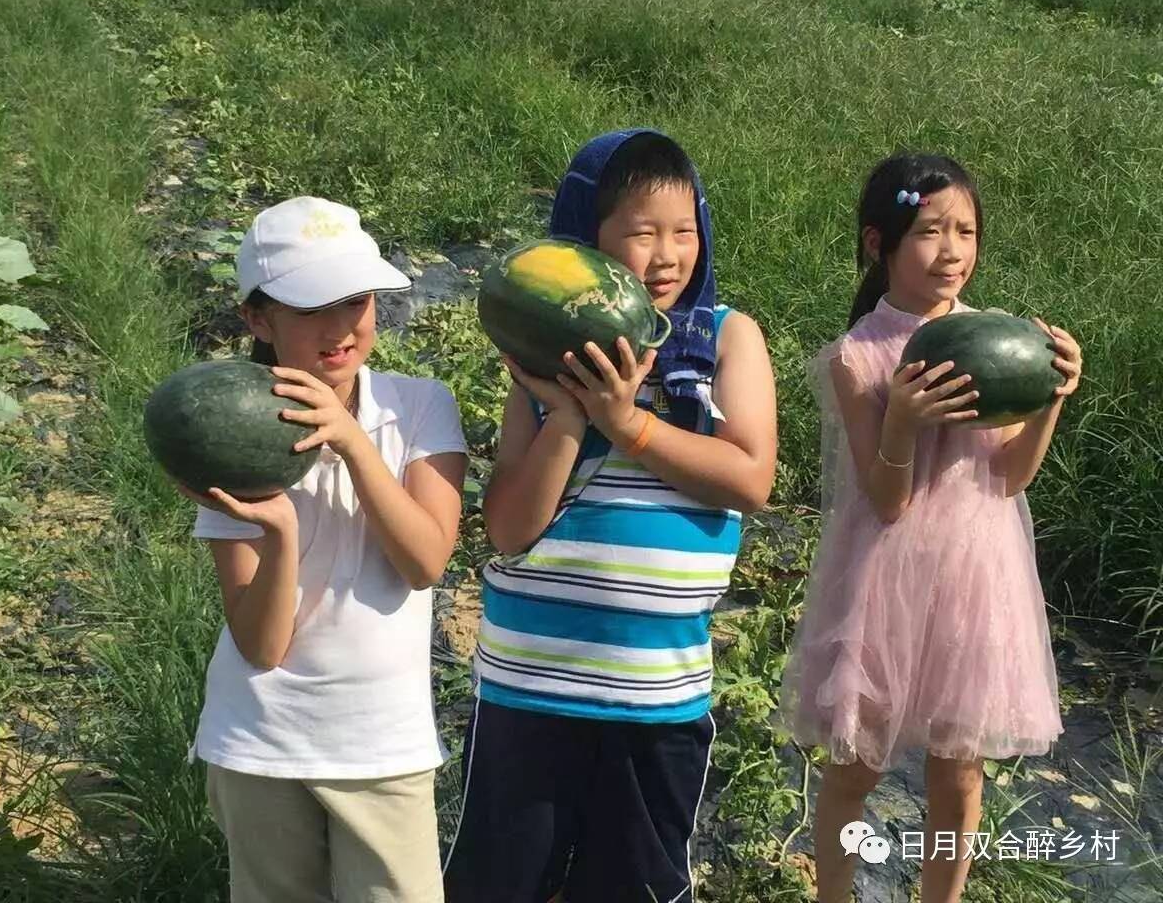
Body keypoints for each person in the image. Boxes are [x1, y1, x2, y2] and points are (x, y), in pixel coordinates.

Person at [443, 129, 779, 903]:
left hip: (655, 693)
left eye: (684, 230)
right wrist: (567, 415)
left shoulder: (728, 339)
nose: (667, 255)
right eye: (641, 232)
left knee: (633, 885)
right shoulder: (539, 358)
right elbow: (508, 529)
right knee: (502, 883)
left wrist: (631, 426)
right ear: (584, 243)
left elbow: (750, 478)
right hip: (529, 684)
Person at [775, 153, 1083, 903]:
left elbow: (1008, 477)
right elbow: (886, 502)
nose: (952, 251)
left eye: (966, 231)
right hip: (885, 577)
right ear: (879, 244)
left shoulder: (1001, 341)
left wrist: (1051, 400)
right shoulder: (861, 357)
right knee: (855, 770)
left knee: (959, 774)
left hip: (978, 577)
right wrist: (904, 422)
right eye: (929, 232)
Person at [176, 196, 468, 903]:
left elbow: (425, 562)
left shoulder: (418, 406)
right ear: (257, 318)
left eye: (356, 301)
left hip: (382, 744)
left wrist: (351, 440)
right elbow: (261, 646)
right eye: (309, 309)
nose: (339, 328)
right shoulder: (229, 430)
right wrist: (279, 533)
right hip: (259, 741)